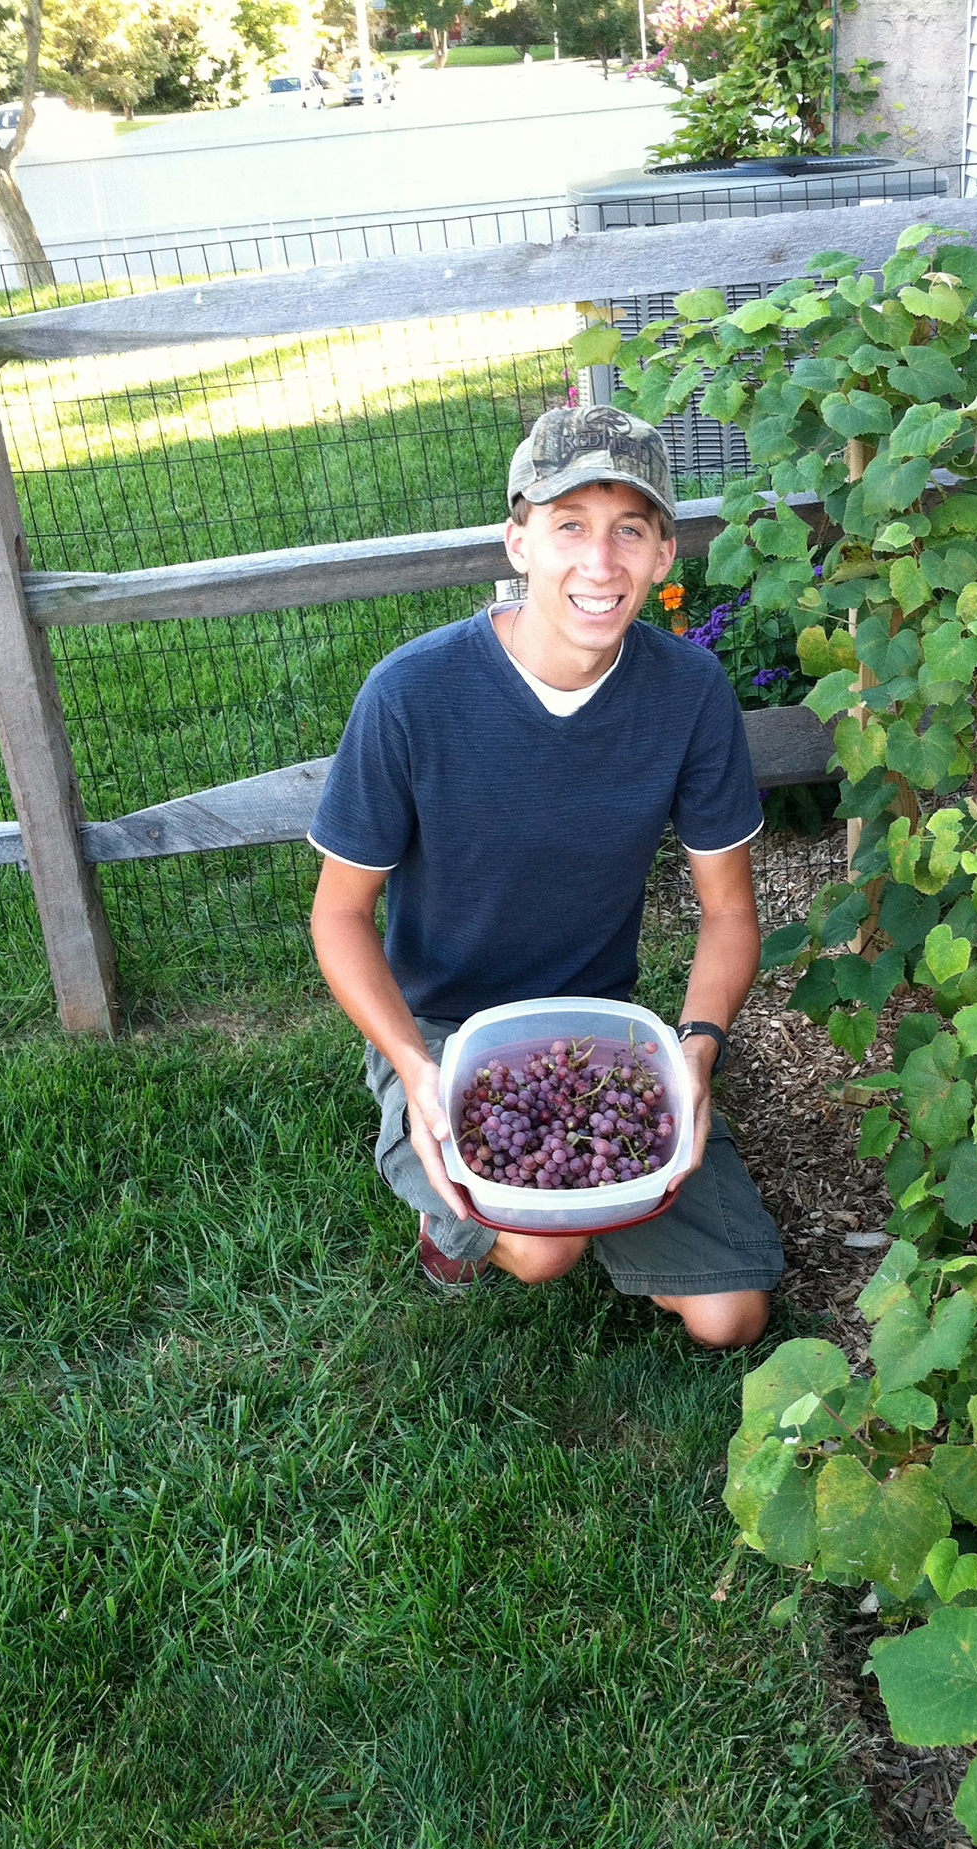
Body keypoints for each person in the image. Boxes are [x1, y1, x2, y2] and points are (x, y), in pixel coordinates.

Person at [308, 403, 784, 1348]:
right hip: (442, 1025)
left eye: (628, 532)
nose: (599, 564)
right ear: (519, 538)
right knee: (540, 1252)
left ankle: (607, 1207)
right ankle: (455, 1210)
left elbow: (730, 913)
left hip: (598, 1031)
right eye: (570, 527)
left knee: (731, 1318)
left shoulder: (688, 696)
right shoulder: (411, 694)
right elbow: (339, 915)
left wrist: (692, 1052)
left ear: (662, 556)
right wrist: (415, 1065)